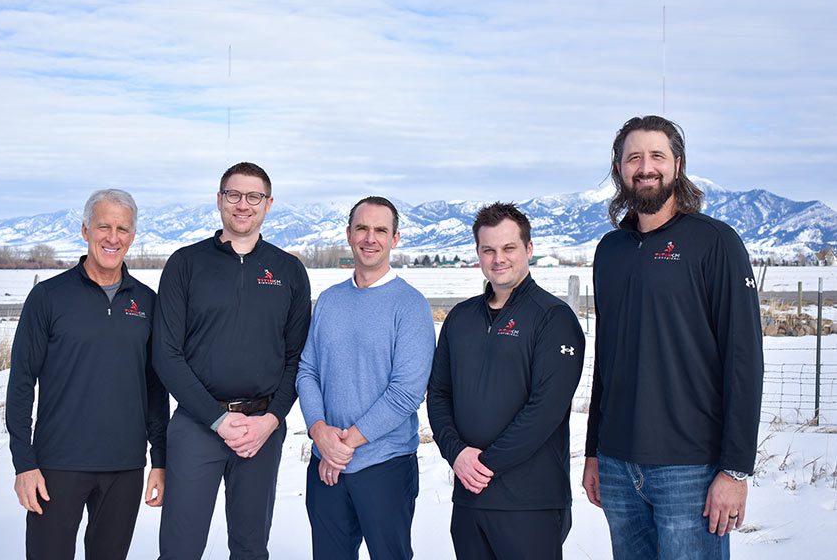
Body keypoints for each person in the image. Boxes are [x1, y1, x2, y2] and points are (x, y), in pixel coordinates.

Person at [582, 115, 764, 560]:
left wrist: (735, 471)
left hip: (690, 468)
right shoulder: (610, 251)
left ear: (677, 165)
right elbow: (607, 360)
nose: (646, 166)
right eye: (634, 157)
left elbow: (743, 360)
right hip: (618, 465)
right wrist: (593, 451)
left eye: (657, 156)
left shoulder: (715, 243)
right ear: (620, 169)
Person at [152, 162, 311, 559]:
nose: (243, 205)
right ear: (219, 200)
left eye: (253, 196)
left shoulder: (289, 270)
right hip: (196, 424)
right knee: (180, 547)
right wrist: (217, 418)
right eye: (234, 195)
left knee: (251, 546)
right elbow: (166, 354)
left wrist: (272, 420)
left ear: (268, 204)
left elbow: (297, 358)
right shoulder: (185, 264)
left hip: (261, 429)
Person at [5, 189, 168, 560]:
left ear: (133, 236)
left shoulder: (147, 302)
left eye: (123, 229)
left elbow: (156, 391)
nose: (113, 237)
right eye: (104, 226)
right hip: (56, 465)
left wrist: (159, 460)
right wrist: (24, 463)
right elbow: (21, 384)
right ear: (85, 230)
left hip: (125, 466)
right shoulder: (48, 298)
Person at [427, 202, 585, 560]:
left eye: (509, 248)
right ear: (479, 254)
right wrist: (457, 454)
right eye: (489, 250)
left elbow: (546, 409)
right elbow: (438, 394)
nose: (499, 259)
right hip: (469, 498)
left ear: (528, 249)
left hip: (529, 502)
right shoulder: (460, 318)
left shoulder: (552, 318)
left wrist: (486, 464)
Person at [296, 196, 435, 560]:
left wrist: (343, 447)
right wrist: (319, 431)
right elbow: (308, 370)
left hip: (384, 466)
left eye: (380, 230)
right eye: (362, 228)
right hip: (325, 467)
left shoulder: (410, 305)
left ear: (395, 238)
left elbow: (405, 393)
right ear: (348, 234)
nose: (370, 238)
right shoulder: (328, 300)